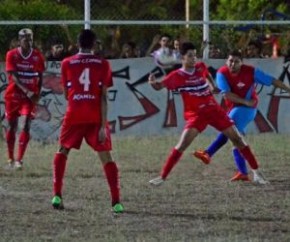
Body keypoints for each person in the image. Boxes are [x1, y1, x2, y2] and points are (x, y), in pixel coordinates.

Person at [148, 42, 269, 186]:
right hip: (196, 115)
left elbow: (208, 75)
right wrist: (152, 82)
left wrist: (212, 86)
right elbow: (159, 86)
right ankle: (162, 177)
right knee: (182, 145)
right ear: (182, 58)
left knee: (237, 139)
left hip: (214, 111)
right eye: (190, 56)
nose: (194, 59)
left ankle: (256, 173)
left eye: (195, 55)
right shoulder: (176, 76)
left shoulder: (200, 67)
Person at [51, 29, 124, 214]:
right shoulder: (103, 64)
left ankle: (57, 195)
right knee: (106, 156)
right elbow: (103, 97)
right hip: (95, 117)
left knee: (62, 150)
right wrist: (102, 126)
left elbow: (67, 94)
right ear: (94, 44)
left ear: (77, 43)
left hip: (74, 114)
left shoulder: (67, 63)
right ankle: (116, 202)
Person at [193, 49, 290, 181]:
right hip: (239, 107)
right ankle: (243, 172)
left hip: (247, 110)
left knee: (229, 131)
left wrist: (288, 89)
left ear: (241, 63)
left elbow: (272, 80)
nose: (233, 64)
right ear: (227, 61)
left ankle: (208, 153)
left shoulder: (251, 71)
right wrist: (246, 101)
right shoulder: (222, 73)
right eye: (230, 61)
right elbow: (226, 94)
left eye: (236, 62)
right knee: (236, 140)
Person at [5, 28, 45, 169]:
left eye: (30, 38)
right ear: (19, 40)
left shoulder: (38, 56)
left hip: (29, 98)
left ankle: (19, 160)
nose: (28, 41)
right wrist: (26, 91)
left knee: (27, 124)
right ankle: (10, 158)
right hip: (13, 95)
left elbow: (40, 77)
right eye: (25, 38)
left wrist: (37, 94)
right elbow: (14, 77)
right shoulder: (12, 55)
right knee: (12, 125)